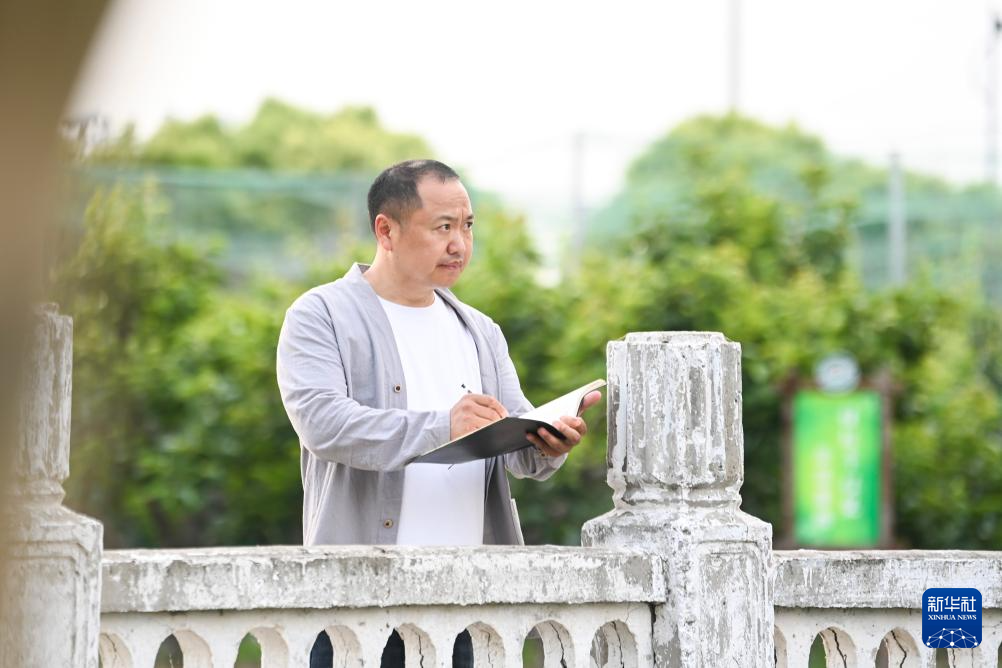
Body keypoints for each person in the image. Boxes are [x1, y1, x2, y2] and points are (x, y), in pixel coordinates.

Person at [276, 159, 601, 667]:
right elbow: (324, 424)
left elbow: (515, 446)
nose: (459, 245)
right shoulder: (321, 316)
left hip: (469, 611)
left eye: (467, 226)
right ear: (386, 230)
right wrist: (443, 426)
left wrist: (547, 439)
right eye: (442, 227)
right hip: (359, 608)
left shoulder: (480, 330)